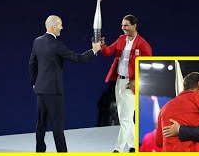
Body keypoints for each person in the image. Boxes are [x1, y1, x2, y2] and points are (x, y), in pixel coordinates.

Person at [29, 15, 101, 152]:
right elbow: (78, 58)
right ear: (53, 26)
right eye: (60, 25)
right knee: (57, 125)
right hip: (54, 91)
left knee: (41, 123)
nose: (62, 27)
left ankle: (39, 151)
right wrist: (94, 50)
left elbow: (32, 63)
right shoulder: (56, 45)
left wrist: (34, 83)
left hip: (40, 89)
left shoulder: (37, 41)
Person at [100, 14, 152, 152]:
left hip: (131, 84)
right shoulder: (121, 39)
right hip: (119, 82)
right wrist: (102, 45)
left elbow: (146, 67)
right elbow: (109, 51)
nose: (123, 28)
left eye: (126, 25)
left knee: (125, 118)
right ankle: (134, 146)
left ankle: (118, 149)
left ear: (134, 26)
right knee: (124, 117)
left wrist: (136, 81)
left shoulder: (143, 45)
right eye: (122, 25)